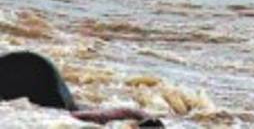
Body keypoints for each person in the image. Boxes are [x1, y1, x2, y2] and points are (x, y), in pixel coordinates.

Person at [0, 51, 163, 127]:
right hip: (34, 72)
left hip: (32, 75)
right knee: (72, 114)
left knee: (69, 115)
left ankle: (137, 115)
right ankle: (137, 115)